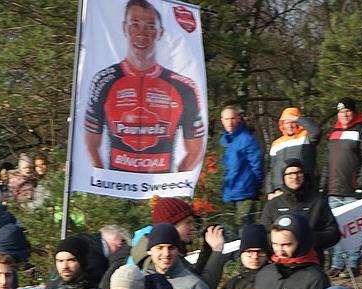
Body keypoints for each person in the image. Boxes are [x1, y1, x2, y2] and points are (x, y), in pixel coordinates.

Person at [83, 0, 205, 174]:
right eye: (135, 25)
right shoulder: (103, 81)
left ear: (160, 32)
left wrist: (173, 182)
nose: (142, 33)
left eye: (150, 27)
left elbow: (195, 150)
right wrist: (104, 181)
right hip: (118, 185)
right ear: (124, 28)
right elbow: (91, 145)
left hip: (159, 185)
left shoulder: (183, 87)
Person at [321, 97, 362, 272]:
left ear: (354, 112)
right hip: (334, 190)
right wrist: (323, 185)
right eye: (341, 112)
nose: (344, 114)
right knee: (336, 228)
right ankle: (337, 263)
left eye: (347, 111)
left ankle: (353, 263)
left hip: (353, 189)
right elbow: (328, 163)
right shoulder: (334, 132)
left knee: (354, 228)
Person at [255, 214, 329, 289]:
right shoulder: (266, 272)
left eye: (286, 245)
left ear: (301, 242)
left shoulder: (314, 278)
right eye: (275, 244)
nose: (279, 251)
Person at [259, 159, 342, 259]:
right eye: (290, 174)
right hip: (280, 262)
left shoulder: (318, 201)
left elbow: (333, 233)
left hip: (312, 260)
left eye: (298, 173)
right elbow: (262, 235)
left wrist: (309, 239)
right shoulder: (273, 205)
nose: (295, 177)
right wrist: (281, 241)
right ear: (283, 177)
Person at [220, 106, 265, 225]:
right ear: (222, 120)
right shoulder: (223, 141)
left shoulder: (247, 139)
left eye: (232, 118)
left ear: (238, 119)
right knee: (228, 232)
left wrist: (256, 187)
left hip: (245, 193)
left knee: (245, 230)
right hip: (227, 194)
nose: (230, 122)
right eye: (226, 119)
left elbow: (257, 166)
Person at [267, 107, 322, 193]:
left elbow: (316, 130)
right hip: (282, 190)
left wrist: (296, 118)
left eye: (292, 122)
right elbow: (271, 169)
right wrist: (270, 191)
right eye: (286, 122)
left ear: (298, 122)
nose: (289, 125)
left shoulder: (306, 136)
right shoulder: (276, 144)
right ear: (282, 124)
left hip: (305, 187)